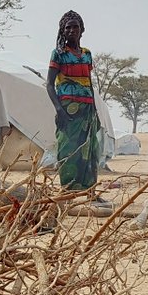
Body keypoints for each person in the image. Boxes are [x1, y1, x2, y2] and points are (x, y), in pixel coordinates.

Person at [45, 10, 102, 190]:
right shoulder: (58, 54)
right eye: (68, 27)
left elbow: (89, 84)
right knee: (68, 149)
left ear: (81, 30)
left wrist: (96, 111)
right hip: (68, 109)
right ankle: (69, 190)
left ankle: (90, 190)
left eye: (75, 27)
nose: (72, 30)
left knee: (90, 150)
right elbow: (49, 85)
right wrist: (59, 110)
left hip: (87, 109)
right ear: (63, 30)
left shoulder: (87, 54)